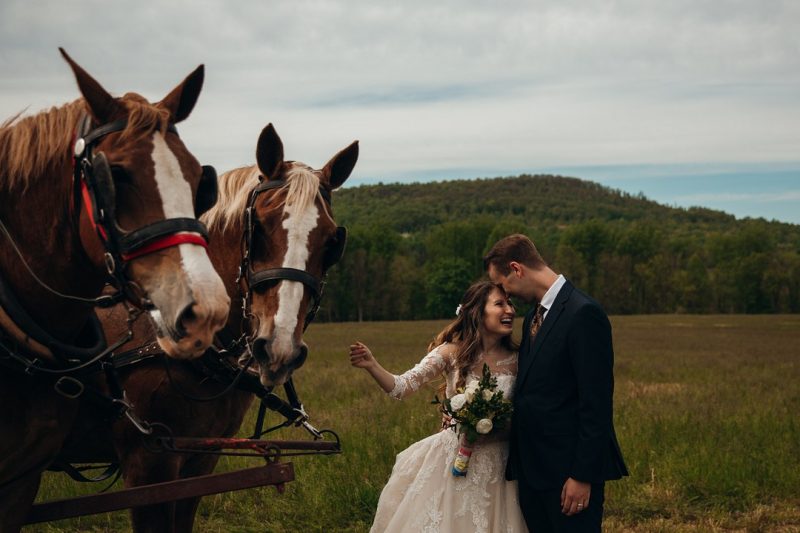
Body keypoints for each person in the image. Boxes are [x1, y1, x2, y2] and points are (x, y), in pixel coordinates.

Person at [349, 281, 529, 533]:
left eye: (510, 303)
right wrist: (372, 365)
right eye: (500, 304)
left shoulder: (520, 358)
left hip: (502, 465)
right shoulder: (450, 352)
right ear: (477, 311)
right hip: (454, 460)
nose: (509, 310)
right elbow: (402, 386)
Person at [484, 234, 628, 533]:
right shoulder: (533, 316)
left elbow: (597, 404)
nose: (505, 293)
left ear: (517, 268)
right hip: (533, 473)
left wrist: (582, 476)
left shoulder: (583, 313)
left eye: (504, 283)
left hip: (568, 477)